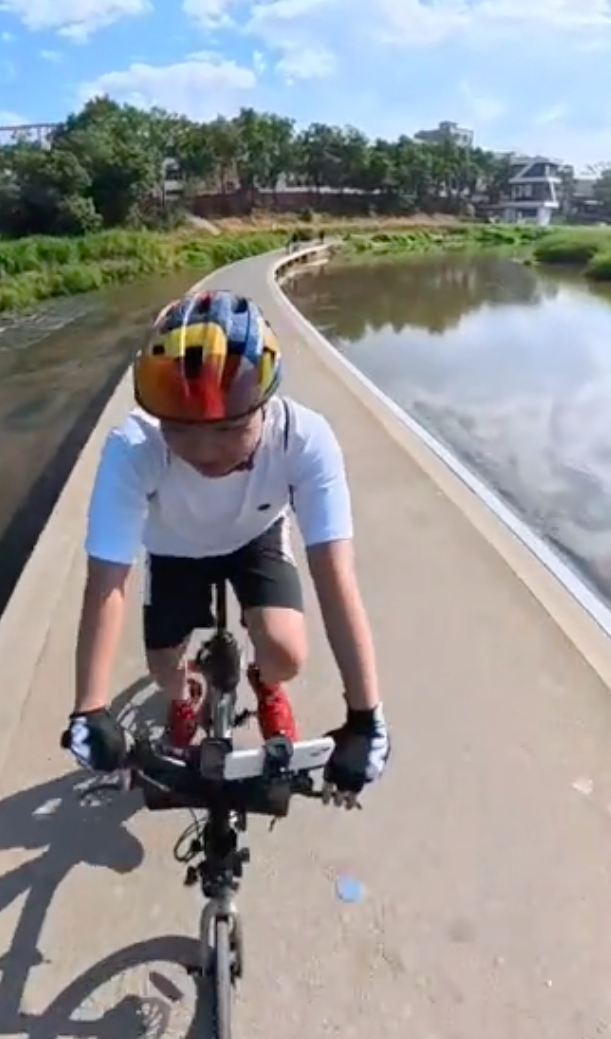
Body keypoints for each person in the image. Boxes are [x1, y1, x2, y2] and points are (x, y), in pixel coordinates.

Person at [60, 288, 390, 794]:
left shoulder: (303, 439)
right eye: (181, 428)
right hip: (174, 551)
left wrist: (367, 716)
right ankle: (185, 696)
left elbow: (334, 574)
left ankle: (265, 682)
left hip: (256, 538)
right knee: (168, 675)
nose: (203, 450)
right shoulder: (133, 448)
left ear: (266, 403)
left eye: (231, 427)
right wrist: (90, 706)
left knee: (285, 653)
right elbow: (106, 581)